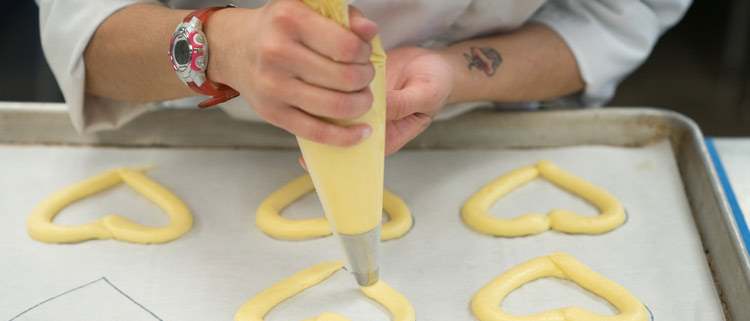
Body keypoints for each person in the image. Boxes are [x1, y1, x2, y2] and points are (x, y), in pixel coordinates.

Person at [36, 0, 691, 155]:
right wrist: (220, 45)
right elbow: (84, 26)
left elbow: (613, 15)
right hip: (202, 133)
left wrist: (455, 73)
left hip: (477, 135)